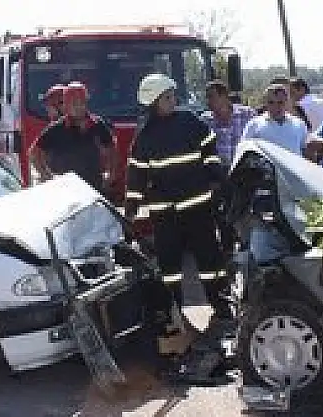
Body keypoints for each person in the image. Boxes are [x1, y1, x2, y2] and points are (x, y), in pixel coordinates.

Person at [126, 73, 225, 378]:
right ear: (153, 103)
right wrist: (130, 211)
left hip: (197, 207)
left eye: (172, 95)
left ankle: (220, 307)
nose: (173, 100)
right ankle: (177, 313)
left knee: (210, 260)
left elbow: (210, 151)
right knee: (169, 267)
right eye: (167, 97)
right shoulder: (144, 137)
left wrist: (216, 177)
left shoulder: (190, 122)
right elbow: (136, 177)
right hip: (165, 214)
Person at [34, 82, 116, 194]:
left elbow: (112, 148)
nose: (79, 107)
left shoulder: (97, 124)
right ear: (67, 104)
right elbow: (35, 153)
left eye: (82, 102)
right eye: (74, 103)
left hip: (93, 186)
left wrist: (111, 174)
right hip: (65, 189)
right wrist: (47, 176)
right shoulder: (57, 128)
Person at [241, 84, 308, 156]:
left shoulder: (299, 125)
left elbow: (305, 151)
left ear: (286, 102)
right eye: (271, 102)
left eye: (280, 102)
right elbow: (243, 150)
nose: (275, 107)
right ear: (265, 103)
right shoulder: (254, 125)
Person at [201, 80, 255, 168]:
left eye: (211, 97)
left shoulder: (247, 114)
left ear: (224, 96)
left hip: (243, 169)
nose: (208, 101)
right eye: (206, 98)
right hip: (217, 171)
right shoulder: (205, 120)